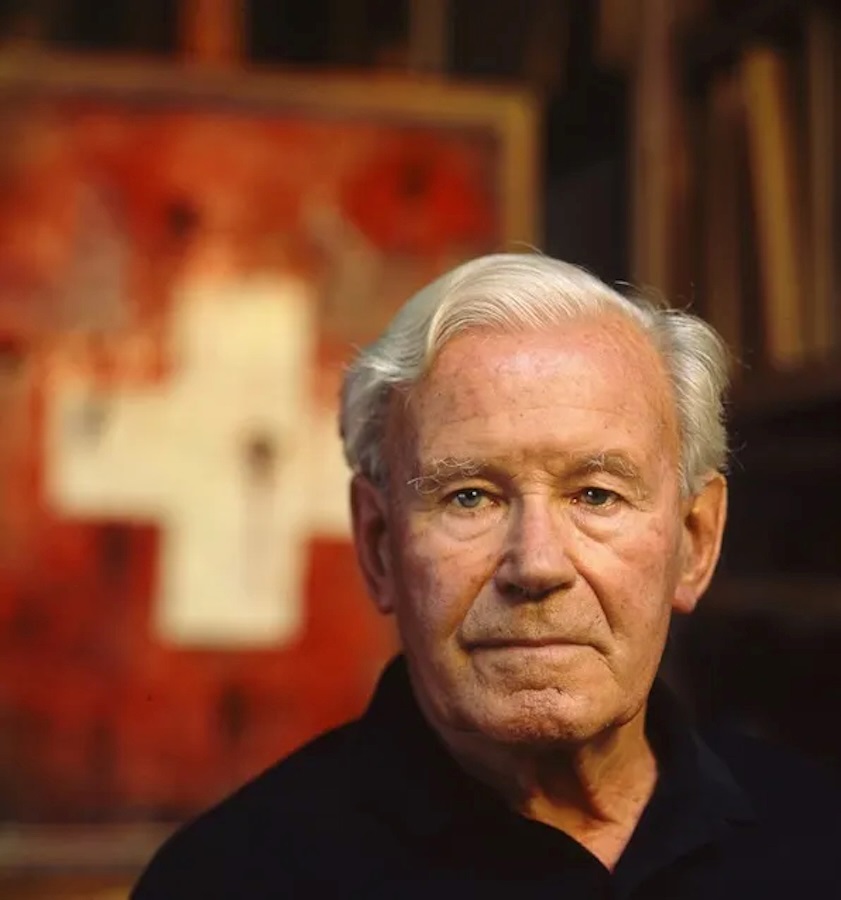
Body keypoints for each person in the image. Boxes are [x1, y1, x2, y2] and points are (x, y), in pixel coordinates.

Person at [132, 254, 841, 898]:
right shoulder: (226, 881)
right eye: (468, 495)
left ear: (693, 542)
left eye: (595, 494)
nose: (534, 564)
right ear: (379, 545)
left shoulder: (816, 842)